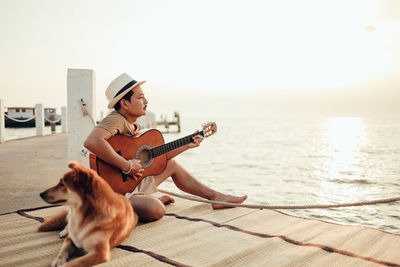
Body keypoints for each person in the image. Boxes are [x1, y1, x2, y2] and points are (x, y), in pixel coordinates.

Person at [84, 73, 247, 222]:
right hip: (116, 192)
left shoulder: (133, 126)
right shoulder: (116, 119)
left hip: (131, 186)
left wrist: (187, 145)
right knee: (156, 209)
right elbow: (92, 141)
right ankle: (131, 205)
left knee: (171, 165)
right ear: (124, 103)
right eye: (140, 98)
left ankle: (216, 198)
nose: (146, 102)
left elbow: (159, 156)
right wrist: (127, 166)